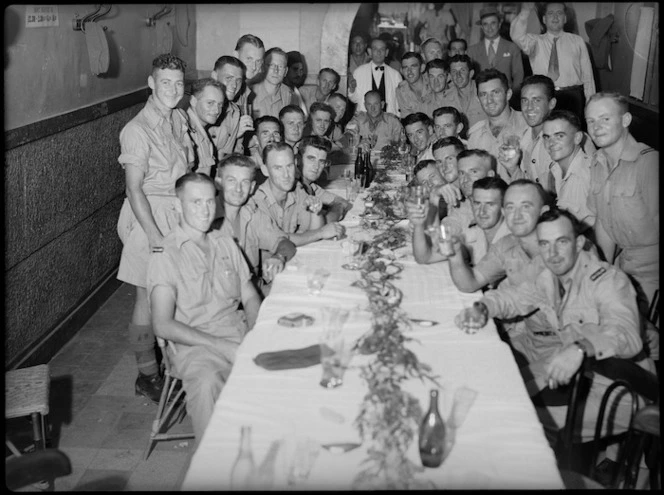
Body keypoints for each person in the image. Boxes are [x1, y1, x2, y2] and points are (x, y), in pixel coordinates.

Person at [455, 208, 653, 444]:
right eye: (545, 244)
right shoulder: (549, 278)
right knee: (499, 387)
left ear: (579, 243)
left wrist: (581, 348)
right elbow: (515, 297)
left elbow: (626, 335)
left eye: (561, 242)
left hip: (622, 385)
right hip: (577, 371)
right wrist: (483, 307)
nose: (553, 253)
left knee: (513, 419)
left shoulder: (607, 280)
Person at [147, 172, 262, 443]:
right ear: (178, 206)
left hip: (239, 332)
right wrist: (223, 347)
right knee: (208, 381)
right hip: (195, 346)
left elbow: (250, 296)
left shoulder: (225, 243)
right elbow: (162, 324)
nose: (205, 209)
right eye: (195, 202)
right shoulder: (166, 254)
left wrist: (255, 334)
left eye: (210, 201)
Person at [117, 54, 194, 403]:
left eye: (178, 83)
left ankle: (170, 363)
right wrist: (154, 238)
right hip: (148, 215)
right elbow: (134, 189)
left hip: (176, 213)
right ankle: (147, 375)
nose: (173, 89)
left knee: (173, 294)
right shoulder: (136, 130)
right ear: (151, 84)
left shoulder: (178, 117)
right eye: (165, 82)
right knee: (147, 298)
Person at [585, 92, 659, 333]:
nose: (596, 127)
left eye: (605, 119)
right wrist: (601, 273)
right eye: (591, 121)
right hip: (622, 266)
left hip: (652, 270)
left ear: (626, 120)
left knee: (641, 337)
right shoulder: (597, 162)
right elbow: (604, 225)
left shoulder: (648, 163)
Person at [214, 154, 296, 295]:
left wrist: (279, 257)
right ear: (218, 183)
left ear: (252, 187)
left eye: (245, 182)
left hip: (255, 293)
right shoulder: (204, 217)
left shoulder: (252, 214)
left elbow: (285, 244)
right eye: (232, 180)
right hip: (221, 304)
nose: (238, 189)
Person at [510, 2, 595, 121]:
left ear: (565, 18)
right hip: (544, 97)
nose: (555, 17)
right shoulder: (535, 42)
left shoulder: (577, 41)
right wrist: (525, 12)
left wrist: (591, 104)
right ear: (544, 19)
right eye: (550, 13)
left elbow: (588, 75)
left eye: (559, 13)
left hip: (572, 97)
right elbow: (516, 35)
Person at [249, 142, 345, 245]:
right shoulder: (257, 201)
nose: (286, 175)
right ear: (265, 170)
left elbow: (313, 230)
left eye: (289, 166)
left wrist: (315, 211)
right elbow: (277, 240)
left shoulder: (297, 189)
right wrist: (320, 233)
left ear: (295, 163)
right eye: (278, 168)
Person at [516, 75, 596, 192]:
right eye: (525, 101)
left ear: (551, 103)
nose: (529, 107)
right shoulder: (522, 139)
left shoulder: (574, 140)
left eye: (536, 100)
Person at [409, 175, 510, 266]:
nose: (482, 212)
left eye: (490, 204)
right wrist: (418, 225)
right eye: (477, 204)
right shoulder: (476, 232)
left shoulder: (512, 240)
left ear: (504, 208)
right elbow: (425, 257)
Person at [467, 68, 529, 182]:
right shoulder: (475, 136)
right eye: (483, 94)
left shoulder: (527, 126)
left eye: (495, 92)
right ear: (477, 99)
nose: (489, 100)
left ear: (508, 94)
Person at [541, 110, 595, 232]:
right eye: (547, 137)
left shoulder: (588, 174)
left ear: (577, 138)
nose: (551, 143)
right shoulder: (555, 169)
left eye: (559, 136)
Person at [467, 6, 524, 96]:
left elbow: (519, 75)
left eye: (493, 23)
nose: (489, 28)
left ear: (499, 24)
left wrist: (513, 94)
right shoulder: (472, 50)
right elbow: (469, 77)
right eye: (485, 24)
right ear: (481, 27)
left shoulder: (512, 47)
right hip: (481, 98)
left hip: (506, 97)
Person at [297, 135, 352, 223]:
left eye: (321, 161)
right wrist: (336, 211)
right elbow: (322, 223)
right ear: (298, 160)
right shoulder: (296, 188)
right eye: (311, 159)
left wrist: (337, 208)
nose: (316, 166)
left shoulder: (311, 186)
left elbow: (342, 202)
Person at [210, 56, 254, 159]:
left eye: (238, 81)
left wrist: (237, 135)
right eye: (228, 78)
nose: (234, 85)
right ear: (214, 76)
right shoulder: (202, 107)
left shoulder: (234, 111)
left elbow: (231, 154)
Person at [348, 37, 403, 115]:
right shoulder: (359, 72)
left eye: (382, 49)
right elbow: (354, 99)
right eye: (375, 49)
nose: (379, 52)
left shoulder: (395, 75)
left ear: (386, 52)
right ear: (369, 52)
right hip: (365, 119)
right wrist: (352, 89)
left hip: (388, 119)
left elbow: (399, 102)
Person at [186, 78, 225, 177]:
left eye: (220, 104)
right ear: (193, 101)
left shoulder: (201, 130)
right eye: (210, 103)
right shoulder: (189, 133)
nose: (217, 110)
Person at [442, 54, 485, 130]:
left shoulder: (484, 91)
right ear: (450, 76)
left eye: (462, 70)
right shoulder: (447, 99)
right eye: (454, 71)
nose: (458, 75)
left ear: (471, 73)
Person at [251, 47, 295, 119]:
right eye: (271, 65)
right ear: (263, 67)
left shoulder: (289, 94)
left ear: (286, 71)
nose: (276, 70)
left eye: (280, 66)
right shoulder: (250, 93)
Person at [233, 34, 266, 111]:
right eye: (249, 59)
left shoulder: (244, 90)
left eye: (258, 61)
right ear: (236, 55)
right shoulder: (228, 88)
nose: (254, 67)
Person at [395, 51, 432, 119]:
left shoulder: (433, 83)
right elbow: (407, 118)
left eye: (413, 66)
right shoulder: (401, 90)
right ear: (401, 71)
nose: (409, 71)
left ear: (422, 68)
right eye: (405, 67)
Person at [247, 115, 282, 183]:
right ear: (256, 139)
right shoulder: (248, 167)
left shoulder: (286, 166)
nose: (272, 138)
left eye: (276, 134)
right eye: (265, 134)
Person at [284, 51, 309, 118]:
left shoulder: (295, 91)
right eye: (295, 69)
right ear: (286, 70)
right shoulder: (281, 92)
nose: (299, 74)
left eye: (301, 70)